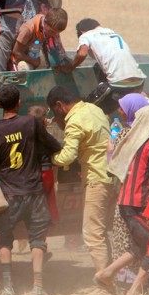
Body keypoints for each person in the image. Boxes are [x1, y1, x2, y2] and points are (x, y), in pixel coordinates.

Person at [0, 84, 62, 295]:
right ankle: (38, 286)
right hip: (34, 192)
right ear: (19, 103)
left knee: (4, 239)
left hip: (9, 194)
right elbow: (53, 145)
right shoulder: (30, 123)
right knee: (37, 239)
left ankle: (8, 287)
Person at [97, 106, 149, 295]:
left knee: (139, 245)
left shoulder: (129, 141)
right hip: (140, 203)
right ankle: (134, 291)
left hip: (125, 201)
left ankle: (107, 273)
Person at [47, 86, 116, 273]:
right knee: (102, 231)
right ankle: (110, 274)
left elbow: (67, 157)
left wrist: (50, 159)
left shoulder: (75, 121)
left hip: (96, 179)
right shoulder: (95, 109)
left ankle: (105, 282)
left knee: (92, 234)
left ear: (59, 106)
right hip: (111, 176)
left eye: (55, 111)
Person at [69, 19, 147, 114]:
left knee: (86, 110)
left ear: (82, 32)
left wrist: (71, 67)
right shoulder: (111, 32)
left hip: (119, 85)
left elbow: (82, 54)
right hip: (139, 83)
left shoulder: (86, 35)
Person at [28, 105, 59, 225]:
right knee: (49, 197)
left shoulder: (24, 134)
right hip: (45, 172)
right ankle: (52, 220)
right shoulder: (44, 135)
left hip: (29, 172)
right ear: (44, 120)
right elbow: (56, 147)